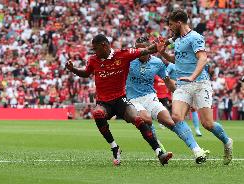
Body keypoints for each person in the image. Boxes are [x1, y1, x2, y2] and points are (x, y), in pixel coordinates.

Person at [65, 34, 172, 166]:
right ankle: (115, 148)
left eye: (96, 49)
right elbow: (86, 73)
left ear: (104, 46)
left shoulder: (123, 54)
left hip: (120, 99)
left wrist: (164, 43)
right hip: (104, 102)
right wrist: (73, 69)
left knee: (138, 119)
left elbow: (146, 50)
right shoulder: (93, 60)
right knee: (97, 113)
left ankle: (159, 152)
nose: (94, 52)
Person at [157, 9, 233, 165]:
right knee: (176, 117)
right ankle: (197, 150)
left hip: (200, 83)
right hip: (183, 84)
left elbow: (203, 58)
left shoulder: (196, 37)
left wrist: (192, 76)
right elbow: (175, 59)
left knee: (208, 124)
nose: (170, 28)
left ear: (179, 23)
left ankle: (227, 141)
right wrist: (163, 53)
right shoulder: (177, 40)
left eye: (171, 25)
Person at [126, 36, 208, 164]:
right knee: (146, 118)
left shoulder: (157, 63)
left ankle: (197, 150)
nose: (140, 52)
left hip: (150, 97)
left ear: (149, 49)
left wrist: (183, 97)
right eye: (137, 50)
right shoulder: (129, 61)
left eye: (142, 50)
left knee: (171, 121)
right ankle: (159, 150)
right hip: (132, 99)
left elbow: (168, 83)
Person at [167, 63, 202, 136]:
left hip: (188, 87)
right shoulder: (171, 65)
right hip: (177, 89)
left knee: (193, 108)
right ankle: (183, 129)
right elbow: (165, 75)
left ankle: (197, 129)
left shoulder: (186, 64)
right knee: (178, 112)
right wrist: (173, 82)